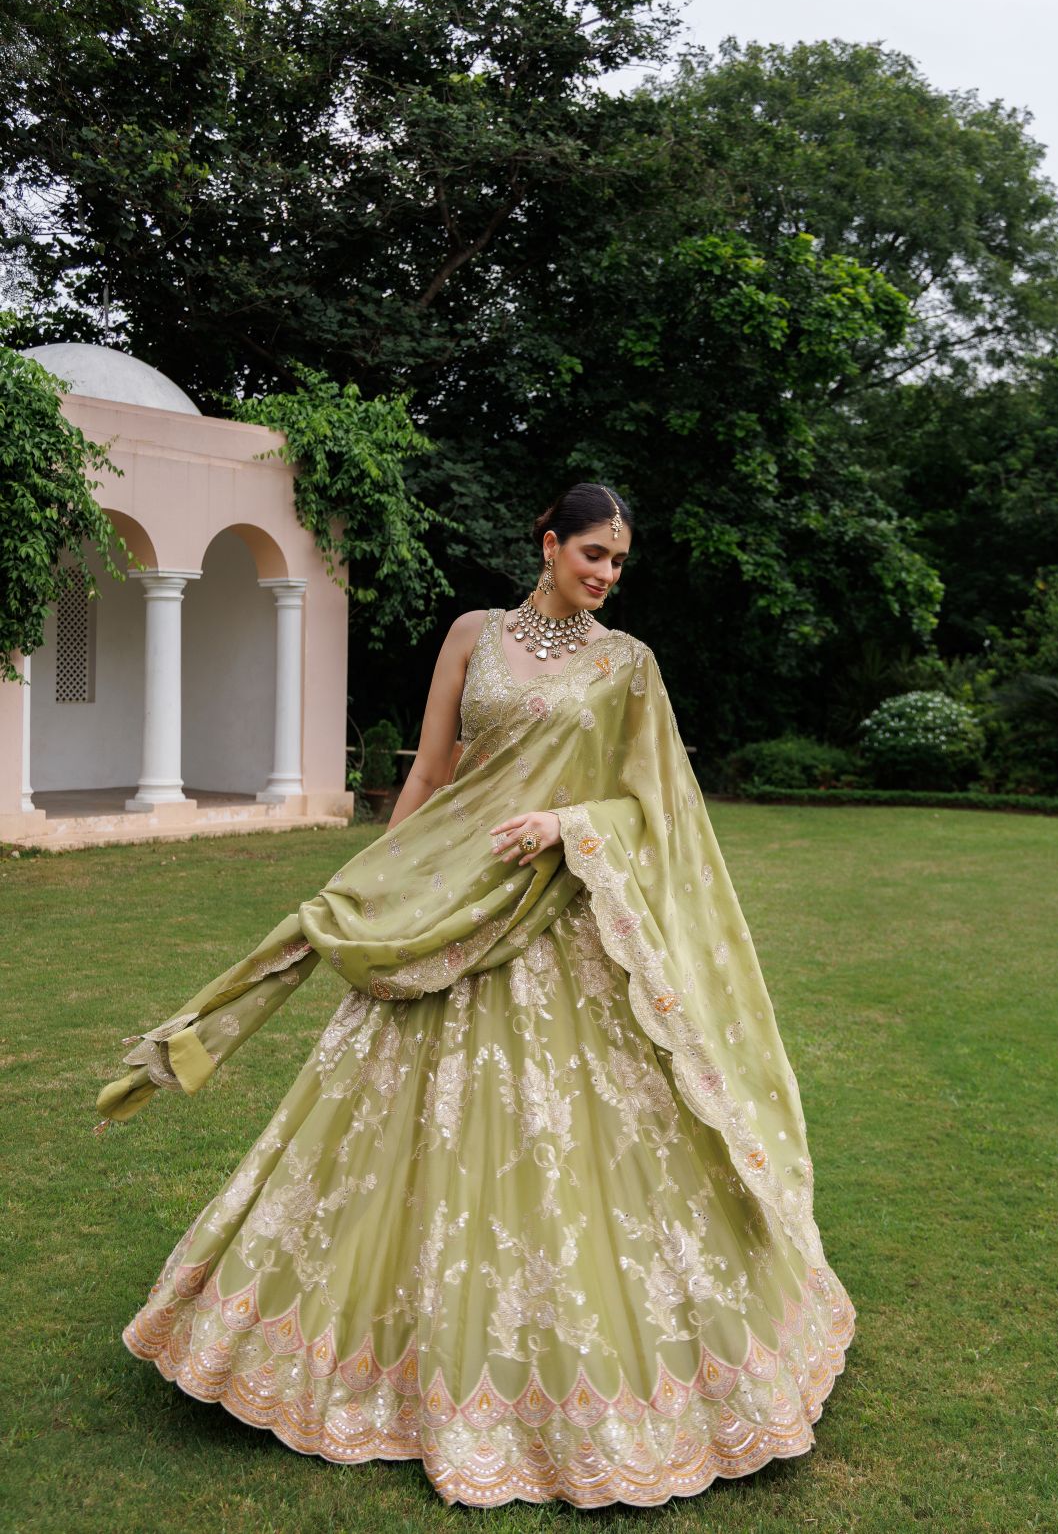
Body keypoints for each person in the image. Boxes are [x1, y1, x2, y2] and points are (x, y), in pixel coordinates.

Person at [94, 479, 856, 1509]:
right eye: (592, 553)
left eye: (618, 562)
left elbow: (656, 808)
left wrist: (567, 826)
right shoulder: (471, 636)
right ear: (548, 543)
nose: (606, 574)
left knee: (575, 1139)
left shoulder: (628, 666)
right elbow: (429, 772)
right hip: (452, 897)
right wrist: (386, 877)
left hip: (556, 914)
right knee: (377, 1125)